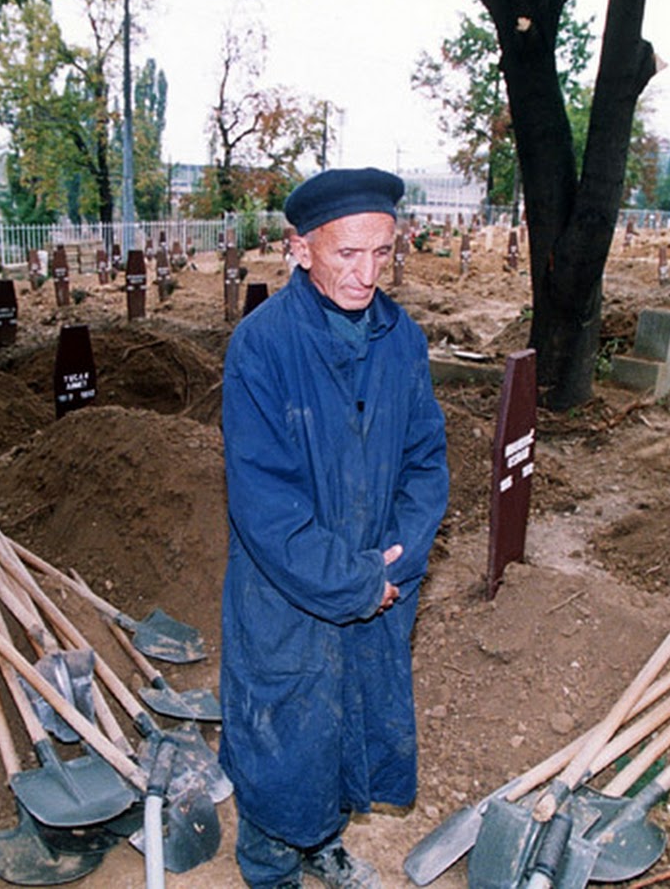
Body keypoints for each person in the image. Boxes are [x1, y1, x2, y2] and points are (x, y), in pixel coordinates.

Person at [219, 167, 449, 889]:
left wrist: (396, 564)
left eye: (382, 253)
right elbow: (265, 503)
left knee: (350, 720)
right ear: (301, 248)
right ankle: (269, 868)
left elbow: (426, 461)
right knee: (284, 735)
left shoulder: (401, 339)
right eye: (348, 254)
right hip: (288, 591)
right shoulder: (262, 346)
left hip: (379, 577)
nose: (367, 274)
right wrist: (355, 581)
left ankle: (324, 842)